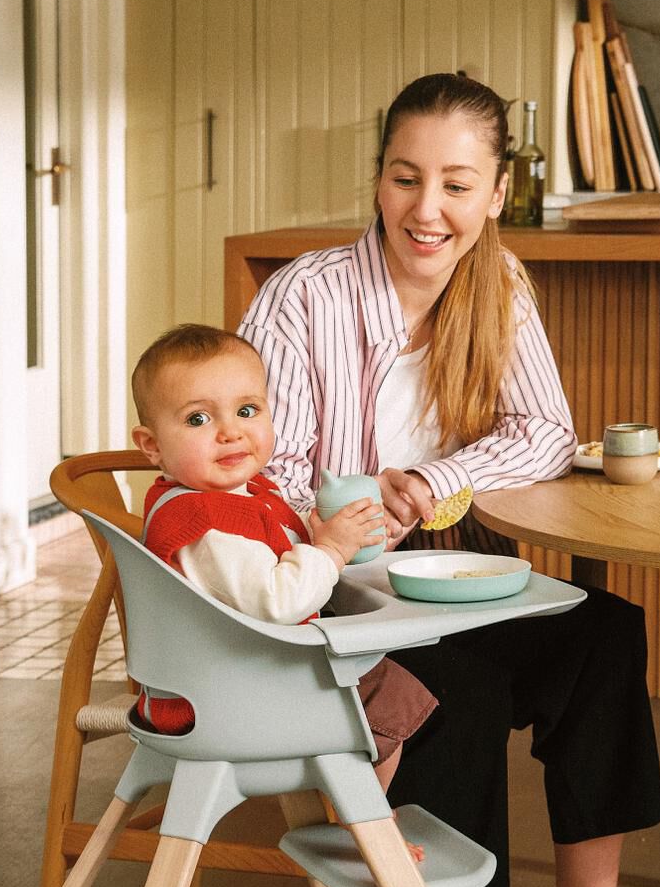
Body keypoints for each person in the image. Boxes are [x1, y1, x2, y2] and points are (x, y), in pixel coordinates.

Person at [239, 70, 660, 887]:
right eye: (405, 178)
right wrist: (354, 511)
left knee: (605, 633)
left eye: (455, 183)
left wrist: (433, 481)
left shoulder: (500, 286)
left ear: (496, 194)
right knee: (462, 684)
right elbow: (258, 475)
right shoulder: (306, 297)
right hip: (331, 602)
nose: (426, 209)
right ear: (378, 180)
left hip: (443, 583)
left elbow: (543, 430)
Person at [130, 323, 437, 845]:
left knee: (382, 684)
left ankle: (358, 820)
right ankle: (366, 829)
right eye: (198, 419)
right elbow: (277, 600)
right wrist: (331, 551)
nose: (230, 432)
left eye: (247, 411)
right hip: (231, 697)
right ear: (151, 446)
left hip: (232, 679)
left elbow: (270, 564)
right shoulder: (206, 522)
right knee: (385, 696)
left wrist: (315, 536)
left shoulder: (249, 496)